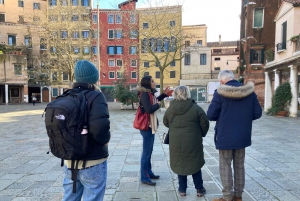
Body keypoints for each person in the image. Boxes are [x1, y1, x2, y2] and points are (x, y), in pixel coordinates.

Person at [207, 70, 262, 201]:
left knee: (225, 166)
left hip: (225, 136)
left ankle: (227, 197)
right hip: (242, 136)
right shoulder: (249, 93)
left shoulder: (220, 93)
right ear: (233, 78)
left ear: (222, 81)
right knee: (239, 165)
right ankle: (238, 196)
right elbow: (257, 113)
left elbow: (210, 115)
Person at [62, 60, 111, 201]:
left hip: (70, 162)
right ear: (93, 78)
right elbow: (100, 129)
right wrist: (105, 141)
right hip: (92, 161)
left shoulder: (67, 96)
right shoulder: (96, 96)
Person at [163, 85, 209, 197]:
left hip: (175, 140)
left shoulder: (170, 109)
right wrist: (201, 133)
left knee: (180, 162)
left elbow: (165, 122)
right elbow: (205, 123)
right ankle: (199, 189)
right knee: (194, 163)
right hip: (193, 140)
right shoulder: (196, 108)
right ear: (188, 93)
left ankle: (182, 189)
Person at [137, 76, 172, 186]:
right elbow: (149, 109)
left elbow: (156, 99)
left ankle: (149, 172)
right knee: (146, 153)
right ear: (148, 83)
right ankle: (144, 177)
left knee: (149, 151)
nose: (154, 82)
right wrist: (158, 105)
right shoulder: (144, 95)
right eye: (152, 81)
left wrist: (164, 95)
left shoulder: (149, 93)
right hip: (146, 126)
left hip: (150, 125)